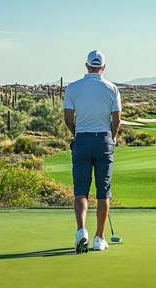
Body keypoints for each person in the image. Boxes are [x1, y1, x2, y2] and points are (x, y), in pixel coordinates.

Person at [63, 50, 121, 253]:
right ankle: (99, 238)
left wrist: (77, 133)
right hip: (104, 141)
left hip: (81, 141)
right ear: (103, 68)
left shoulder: (72, 88)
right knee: (103, 192)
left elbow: (68, 118)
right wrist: (112, 138)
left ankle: (82, 232)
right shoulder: (112, 89)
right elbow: (117, 120)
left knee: (81, 191)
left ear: (86, 66)